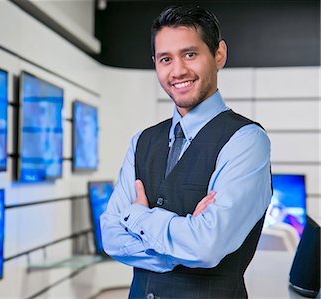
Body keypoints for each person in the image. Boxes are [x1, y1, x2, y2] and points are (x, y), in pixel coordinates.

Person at [100, 5, 272, 299]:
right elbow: (111, 237)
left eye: (190, 54)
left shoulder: (247, 140)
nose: (178, 70)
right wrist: (185, 244)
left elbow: (207, 247)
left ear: (218, 54)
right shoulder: (141, 141)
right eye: (165, 59)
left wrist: (139, 217)